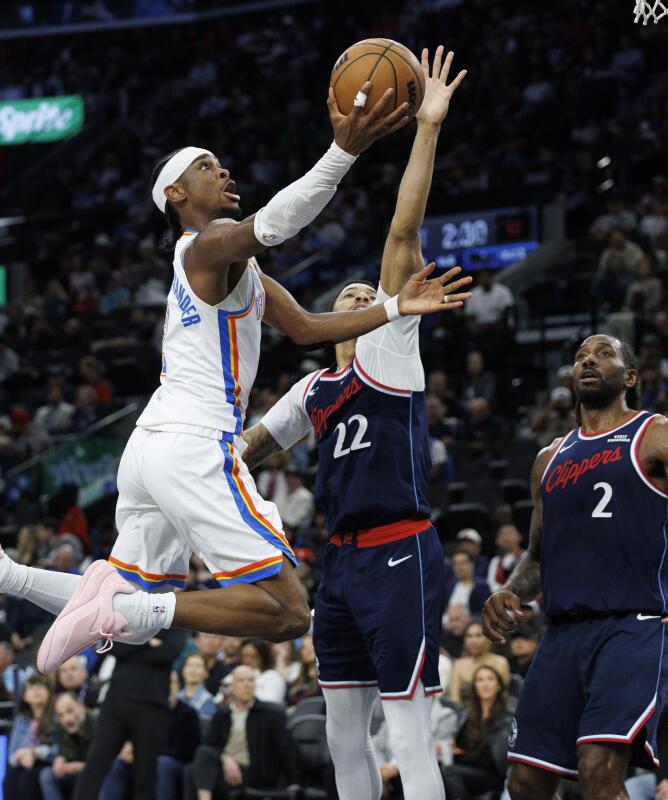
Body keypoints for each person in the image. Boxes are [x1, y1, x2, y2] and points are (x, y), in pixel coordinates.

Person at [0, 59, 471, 672]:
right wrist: (341, 153)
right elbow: (273, 226)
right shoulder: (202, 248)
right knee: (287, 612)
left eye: (219, 163)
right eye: (204, 165)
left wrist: (395, 306)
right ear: (175, 195)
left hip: (151, 448)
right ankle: (126, 609)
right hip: (196, 442)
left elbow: (307, 328)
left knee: (136, 609)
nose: (222, 169)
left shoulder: (233, 271)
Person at [237, 46, 468, 800]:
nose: (364, 295)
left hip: (402, 548)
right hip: (338, 563)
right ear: (330, 317)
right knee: (341, 727)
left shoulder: (392, 351)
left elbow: (403, 235)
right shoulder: (312, 391)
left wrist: (426, 127)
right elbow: (246, 447)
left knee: (404, 725)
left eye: (372, 293)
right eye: (351, 294)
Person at [484, 334, 668, 798]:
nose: (588, 361)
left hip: (633, 626)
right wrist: (510, 591)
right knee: (526, 782)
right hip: (562, 634)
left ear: (629, 377)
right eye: (579, 357)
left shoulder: (662, 434)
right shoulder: (548, 459)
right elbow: (537, 556)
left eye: (603, 354)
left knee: (598, 769)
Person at [72, 626, 189, 799]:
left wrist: (133, 644)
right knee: (94, 766)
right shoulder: (129, 612)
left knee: (145, 774)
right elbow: (114, 646)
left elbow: (171, 651)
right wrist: (149, 643)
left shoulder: (174, 618)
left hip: (152, 705)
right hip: (115, 702)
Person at [183, 666, 299, 799]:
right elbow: (211, 745)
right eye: (241, 681)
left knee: (193, 772)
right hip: (225, 769)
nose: (247, 685)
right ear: (232, 686)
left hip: (253, 773)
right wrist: (225, 757)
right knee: (192, 768)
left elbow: (287, 749)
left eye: (250, 680)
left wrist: (294, 782)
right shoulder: (222, 713)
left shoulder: (270, 714)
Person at [440, 665, 514, 800]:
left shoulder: (508, 717)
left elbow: (502, 757)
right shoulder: (467, 715)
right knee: (440, 772)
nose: (485, 683)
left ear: (498, 686)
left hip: (492, 774)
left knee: (448, 772)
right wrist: (454, 748)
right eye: (480, 680)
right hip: (465, 770)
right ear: (474, 686)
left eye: (490, 679)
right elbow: (460, 746)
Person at [624, 673, 668, 800]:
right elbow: (661, 748)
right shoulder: (666, 709)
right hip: (666, 772)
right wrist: (663, 778)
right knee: (631, 786)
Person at [5, 675, 57, 799]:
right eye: (31, 688)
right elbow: (11, 754)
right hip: (24, 762)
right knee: (10, 777)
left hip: (46, 762)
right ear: (24, 696)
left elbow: (58, 749)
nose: (36, 691)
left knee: (28, 779)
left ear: (50, 692)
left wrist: (36, 753)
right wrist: (20, 756)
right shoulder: (20, 719)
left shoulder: (57, 716)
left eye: (41, 686)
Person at [41, 692, 96, 800]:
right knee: (47, 775)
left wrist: (77, 767)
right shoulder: (60, 727)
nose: (67, 719)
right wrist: (60, 759)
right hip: (74, 773)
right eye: (61, 715)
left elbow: (103, 763)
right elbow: (64, 753)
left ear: (81, 706)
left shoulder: (97, 721)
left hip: (96, 774)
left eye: (70, 711)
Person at [449, 622, 511, 704]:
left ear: (489, 638)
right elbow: (455, 699)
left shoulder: (501, 663)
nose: (473, 641)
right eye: (469, 636)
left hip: (496, 712)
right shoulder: (459, 665)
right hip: (465, 714)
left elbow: (504, 697)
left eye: (478, 635)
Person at [446, 549, 490, 616]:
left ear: (472, 564)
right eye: (455, 564)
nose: (459, 567)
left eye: (462, 562)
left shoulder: (481, 586)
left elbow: (486, 612)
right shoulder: (449, 586)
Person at [179, 652, 218, 725]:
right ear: (183, 670)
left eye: (198, 666)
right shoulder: (176, 697)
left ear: (206, 673)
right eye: (189, 665)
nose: (193, 670)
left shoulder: (208, 700)